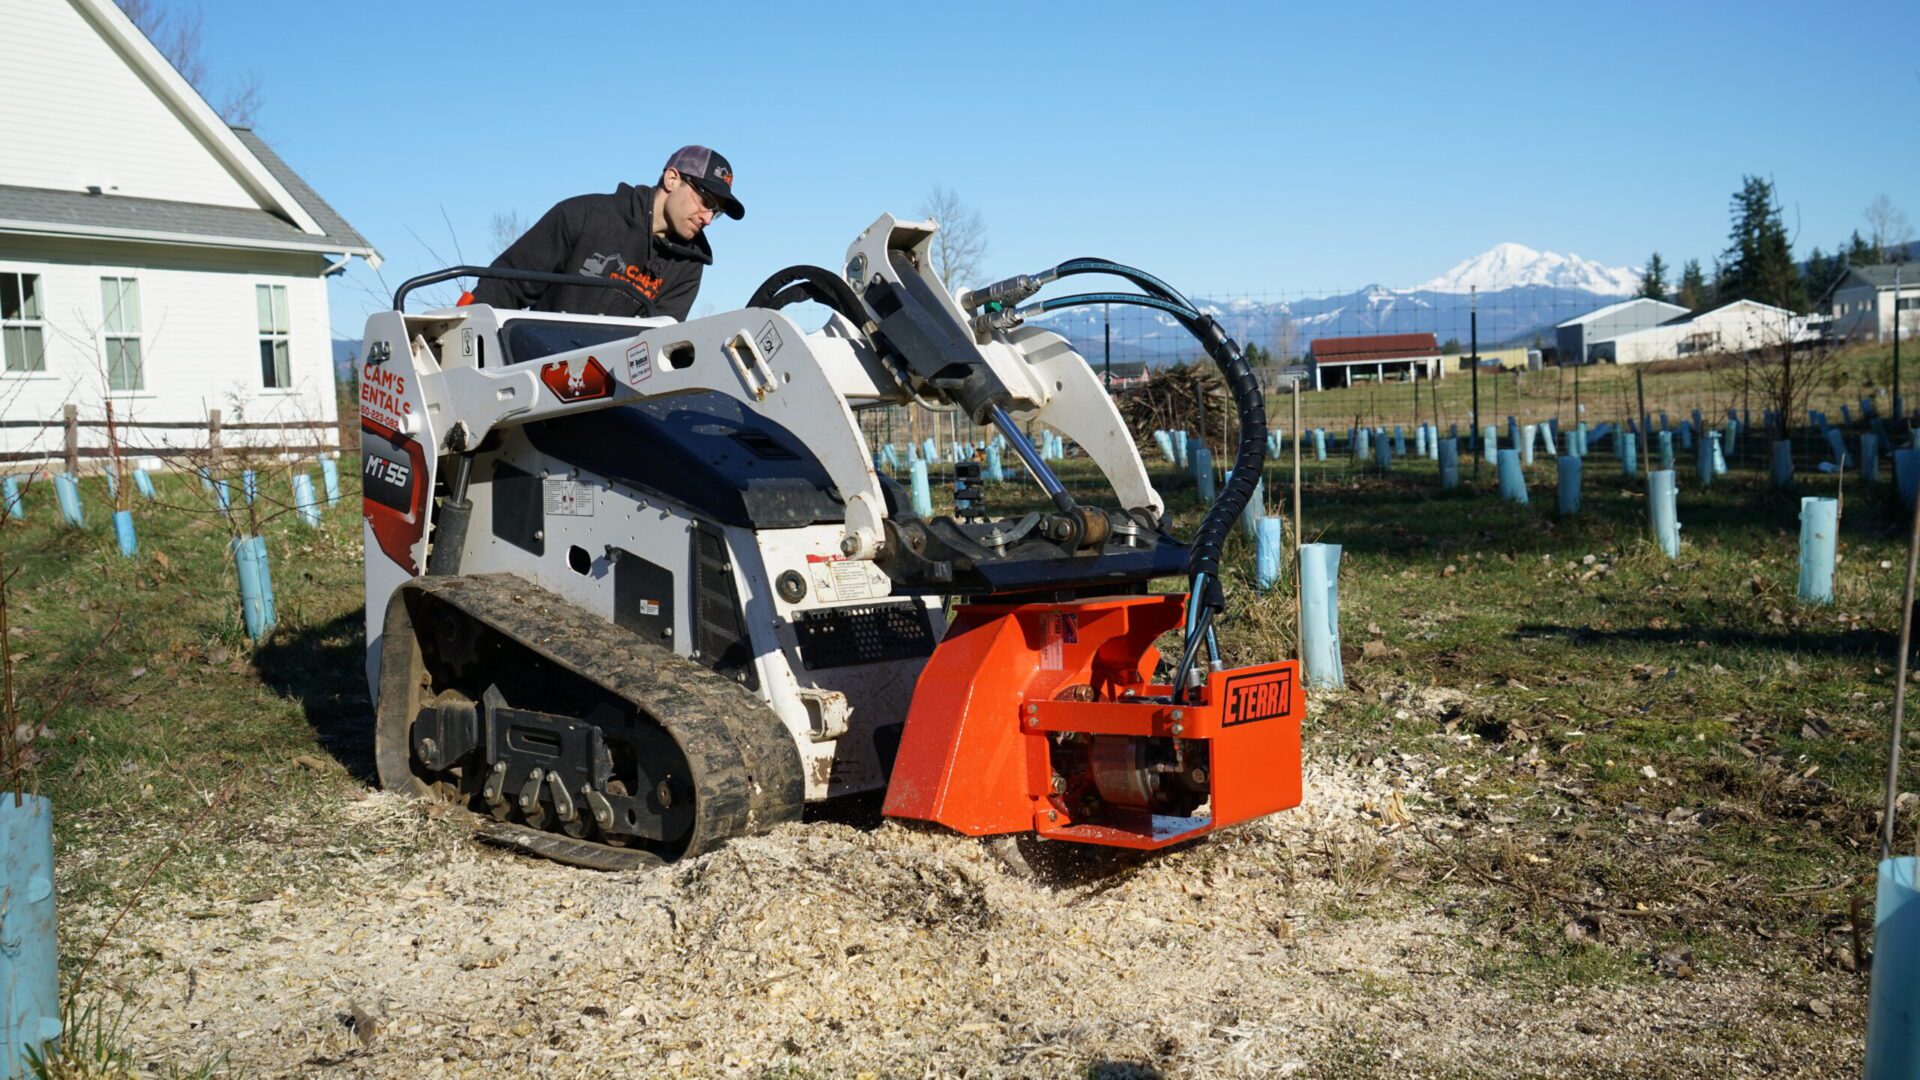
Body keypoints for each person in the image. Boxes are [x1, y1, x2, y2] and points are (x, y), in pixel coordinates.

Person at [469, 146, 744, 321]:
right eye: (706, 202)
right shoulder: (585, 215)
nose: (708, 218)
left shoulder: (689, 265)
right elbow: (504, 286)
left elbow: (660, 343)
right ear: (672, 179)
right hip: (536, 370)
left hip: (614, 392)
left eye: (716, 212)